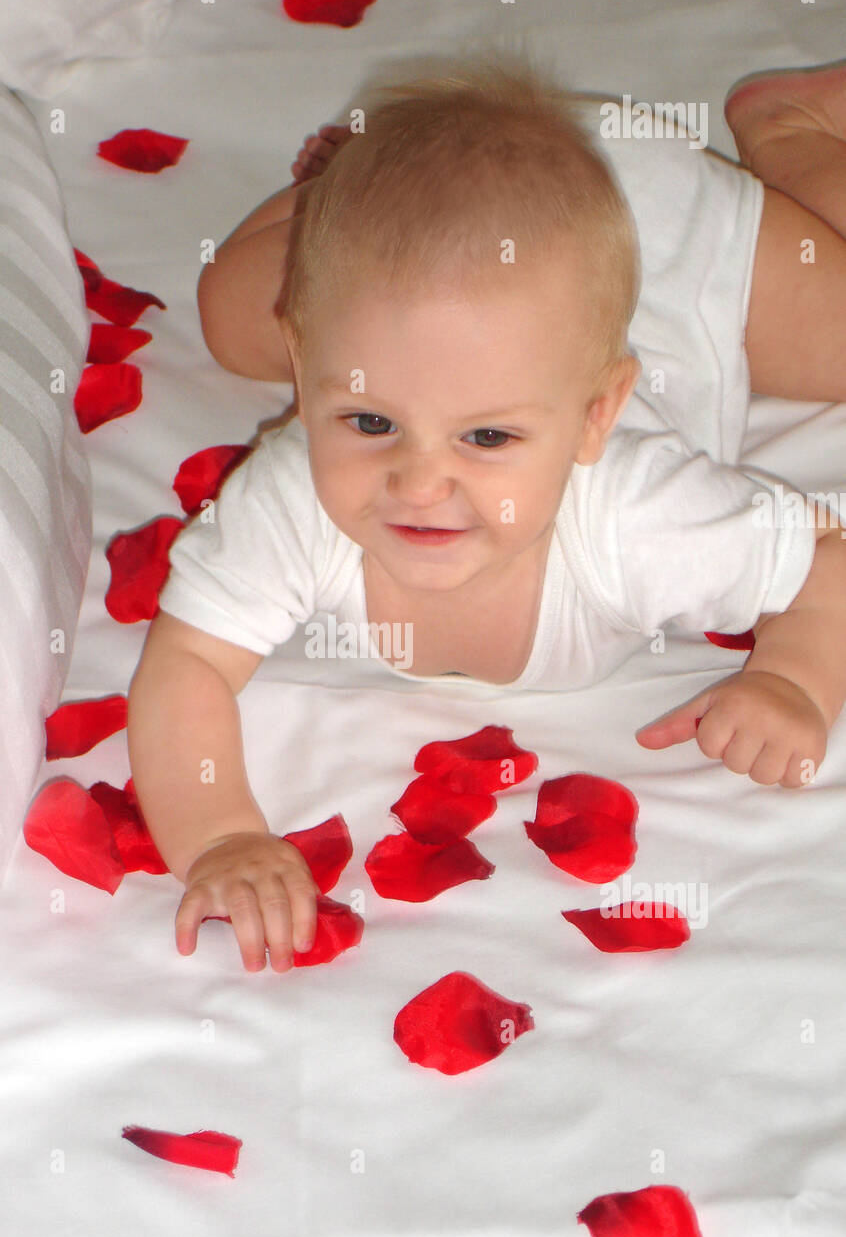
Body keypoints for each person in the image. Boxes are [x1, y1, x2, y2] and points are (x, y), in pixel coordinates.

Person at [127, 55, 846, 975]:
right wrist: (220, 833)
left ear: (596, 416)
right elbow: (189, 661)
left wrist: (793, 677)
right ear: (310, 374)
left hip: (664, 230)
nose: (420, 483)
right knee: (230, 319)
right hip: (450, 245)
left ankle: (784, 130)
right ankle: (355, 183)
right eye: (372, 420)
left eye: (489, 438)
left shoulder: (636, 516)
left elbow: (823, 556)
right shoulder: (295, 494)